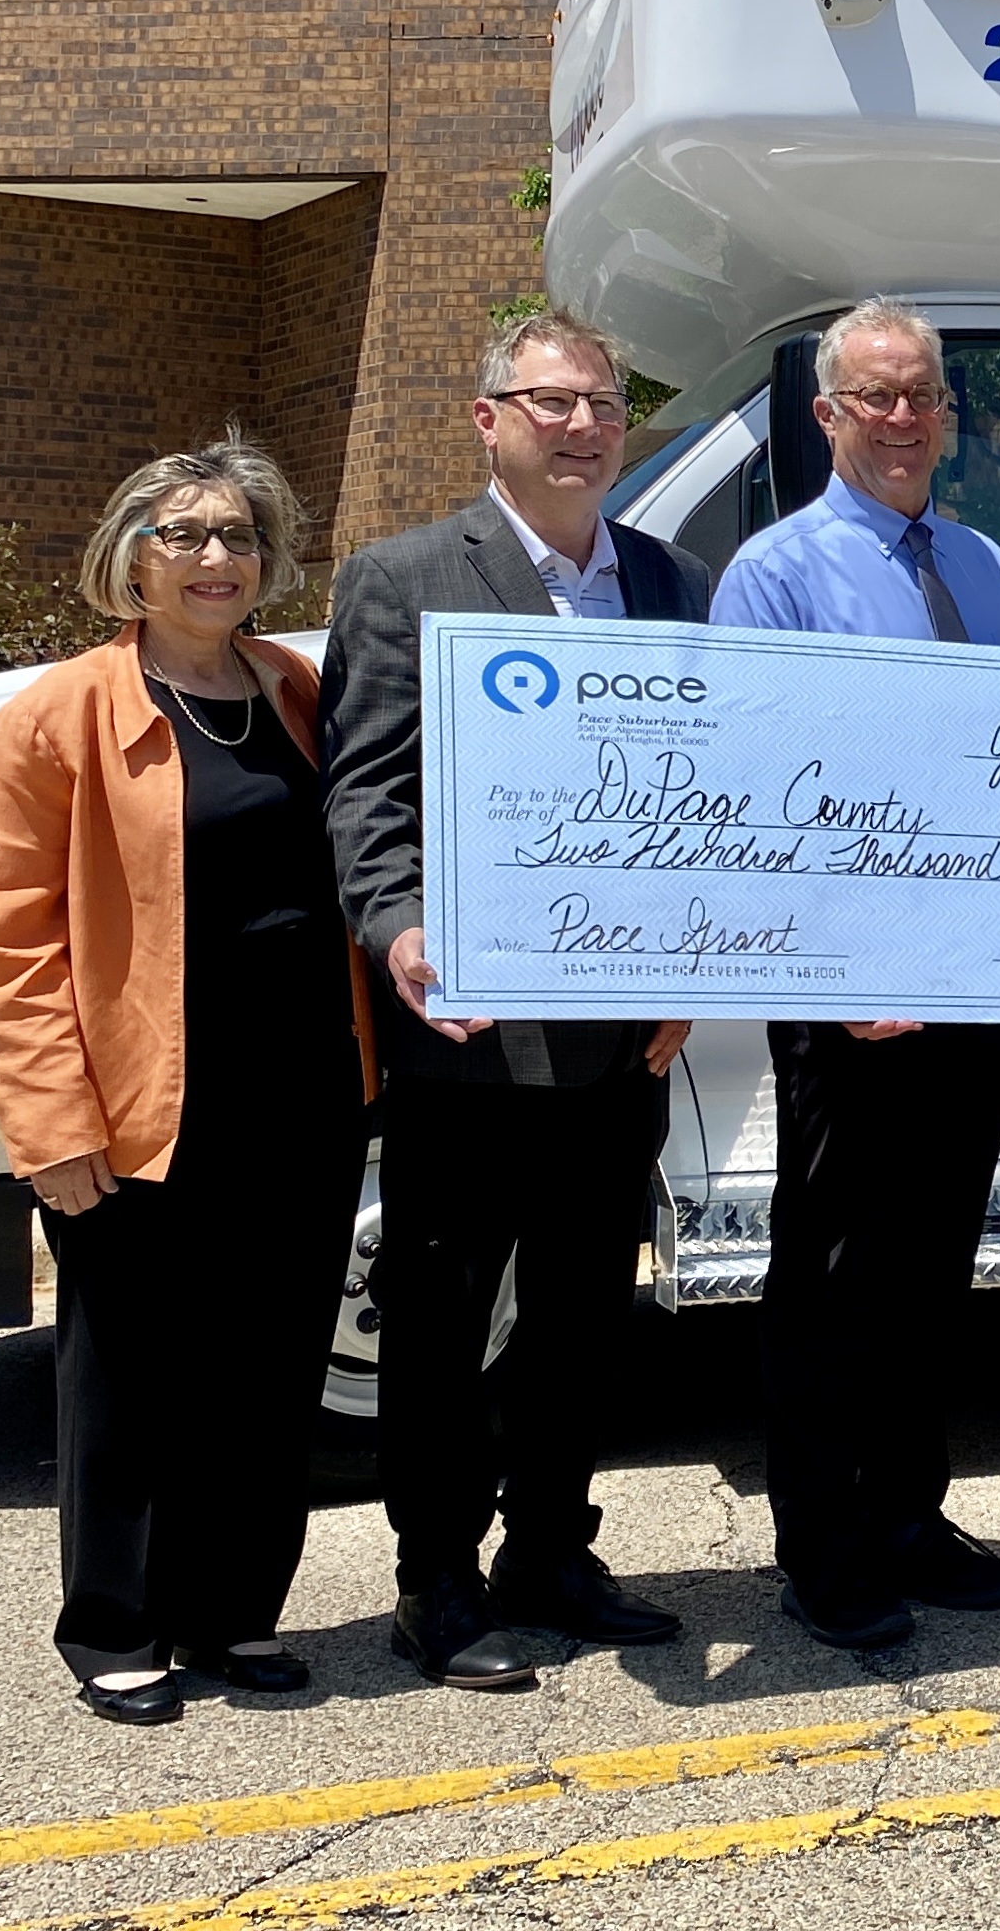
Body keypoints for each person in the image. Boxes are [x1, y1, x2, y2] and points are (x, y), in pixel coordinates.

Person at [319, 309, 713, 1689]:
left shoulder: (671, 582)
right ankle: (435, 1583)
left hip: (625, 1043)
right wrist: (397, 925)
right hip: (470, 1038)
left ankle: (549, 1547)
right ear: (487, 418)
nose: (582, 424)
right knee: (438, 1330)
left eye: (602, 401)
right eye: (550, 400)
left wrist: (695, 975)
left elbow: (702, 804)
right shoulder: (403, 576)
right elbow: (365, 787)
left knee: (580, 1322)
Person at [0, 438, 379, 1723]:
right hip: (143, 1105)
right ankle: (114, 1620)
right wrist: (49, 1120)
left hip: (307, 1090)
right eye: (186, 534)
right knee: (132, 1374)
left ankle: (232, 1612)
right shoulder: (59, 713)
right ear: (130, 555)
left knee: (266, 1372)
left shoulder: (296, 687)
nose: (216, 558)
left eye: (239, 537)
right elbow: (14, 938)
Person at [711, 297, 1000, 1651]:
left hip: (970, 980)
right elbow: (755, 788)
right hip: (852, 991)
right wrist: (826, 969)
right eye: (876, 397)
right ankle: (825, 1544)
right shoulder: (775, 575)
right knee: (834, 1276)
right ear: (827, 416)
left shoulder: (982, 563)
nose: (903, 418)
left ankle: (909, 1515)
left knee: (931, 1268)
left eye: (922, 397)